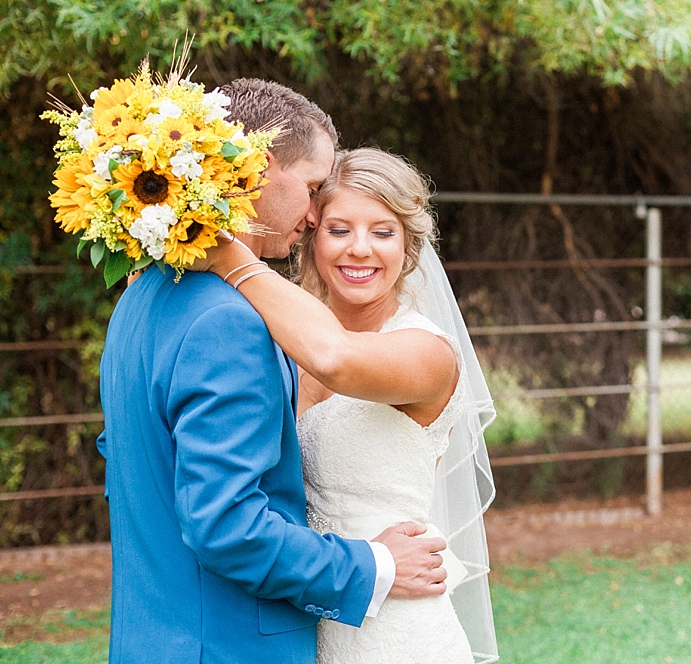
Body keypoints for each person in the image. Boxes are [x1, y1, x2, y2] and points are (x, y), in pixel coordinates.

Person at [97, 80, 448, 664]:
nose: (314, 218)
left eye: (383, 231)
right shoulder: (226, 323)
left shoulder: (138, 298)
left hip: (159, 637)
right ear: (256, 167)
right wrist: (376, 562)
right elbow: (226, 524)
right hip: (227, 643)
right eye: (315, 193)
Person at [199, 147, 499, 663]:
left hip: (396, 623)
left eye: (383, 232)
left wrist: (228, 255)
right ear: (311, 238)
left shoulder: (428, 353)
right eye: (339, 230)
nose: (359, 249)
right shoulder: (274, 338)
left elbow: (336, 359)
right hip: (298, 614)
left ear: (408, 248)